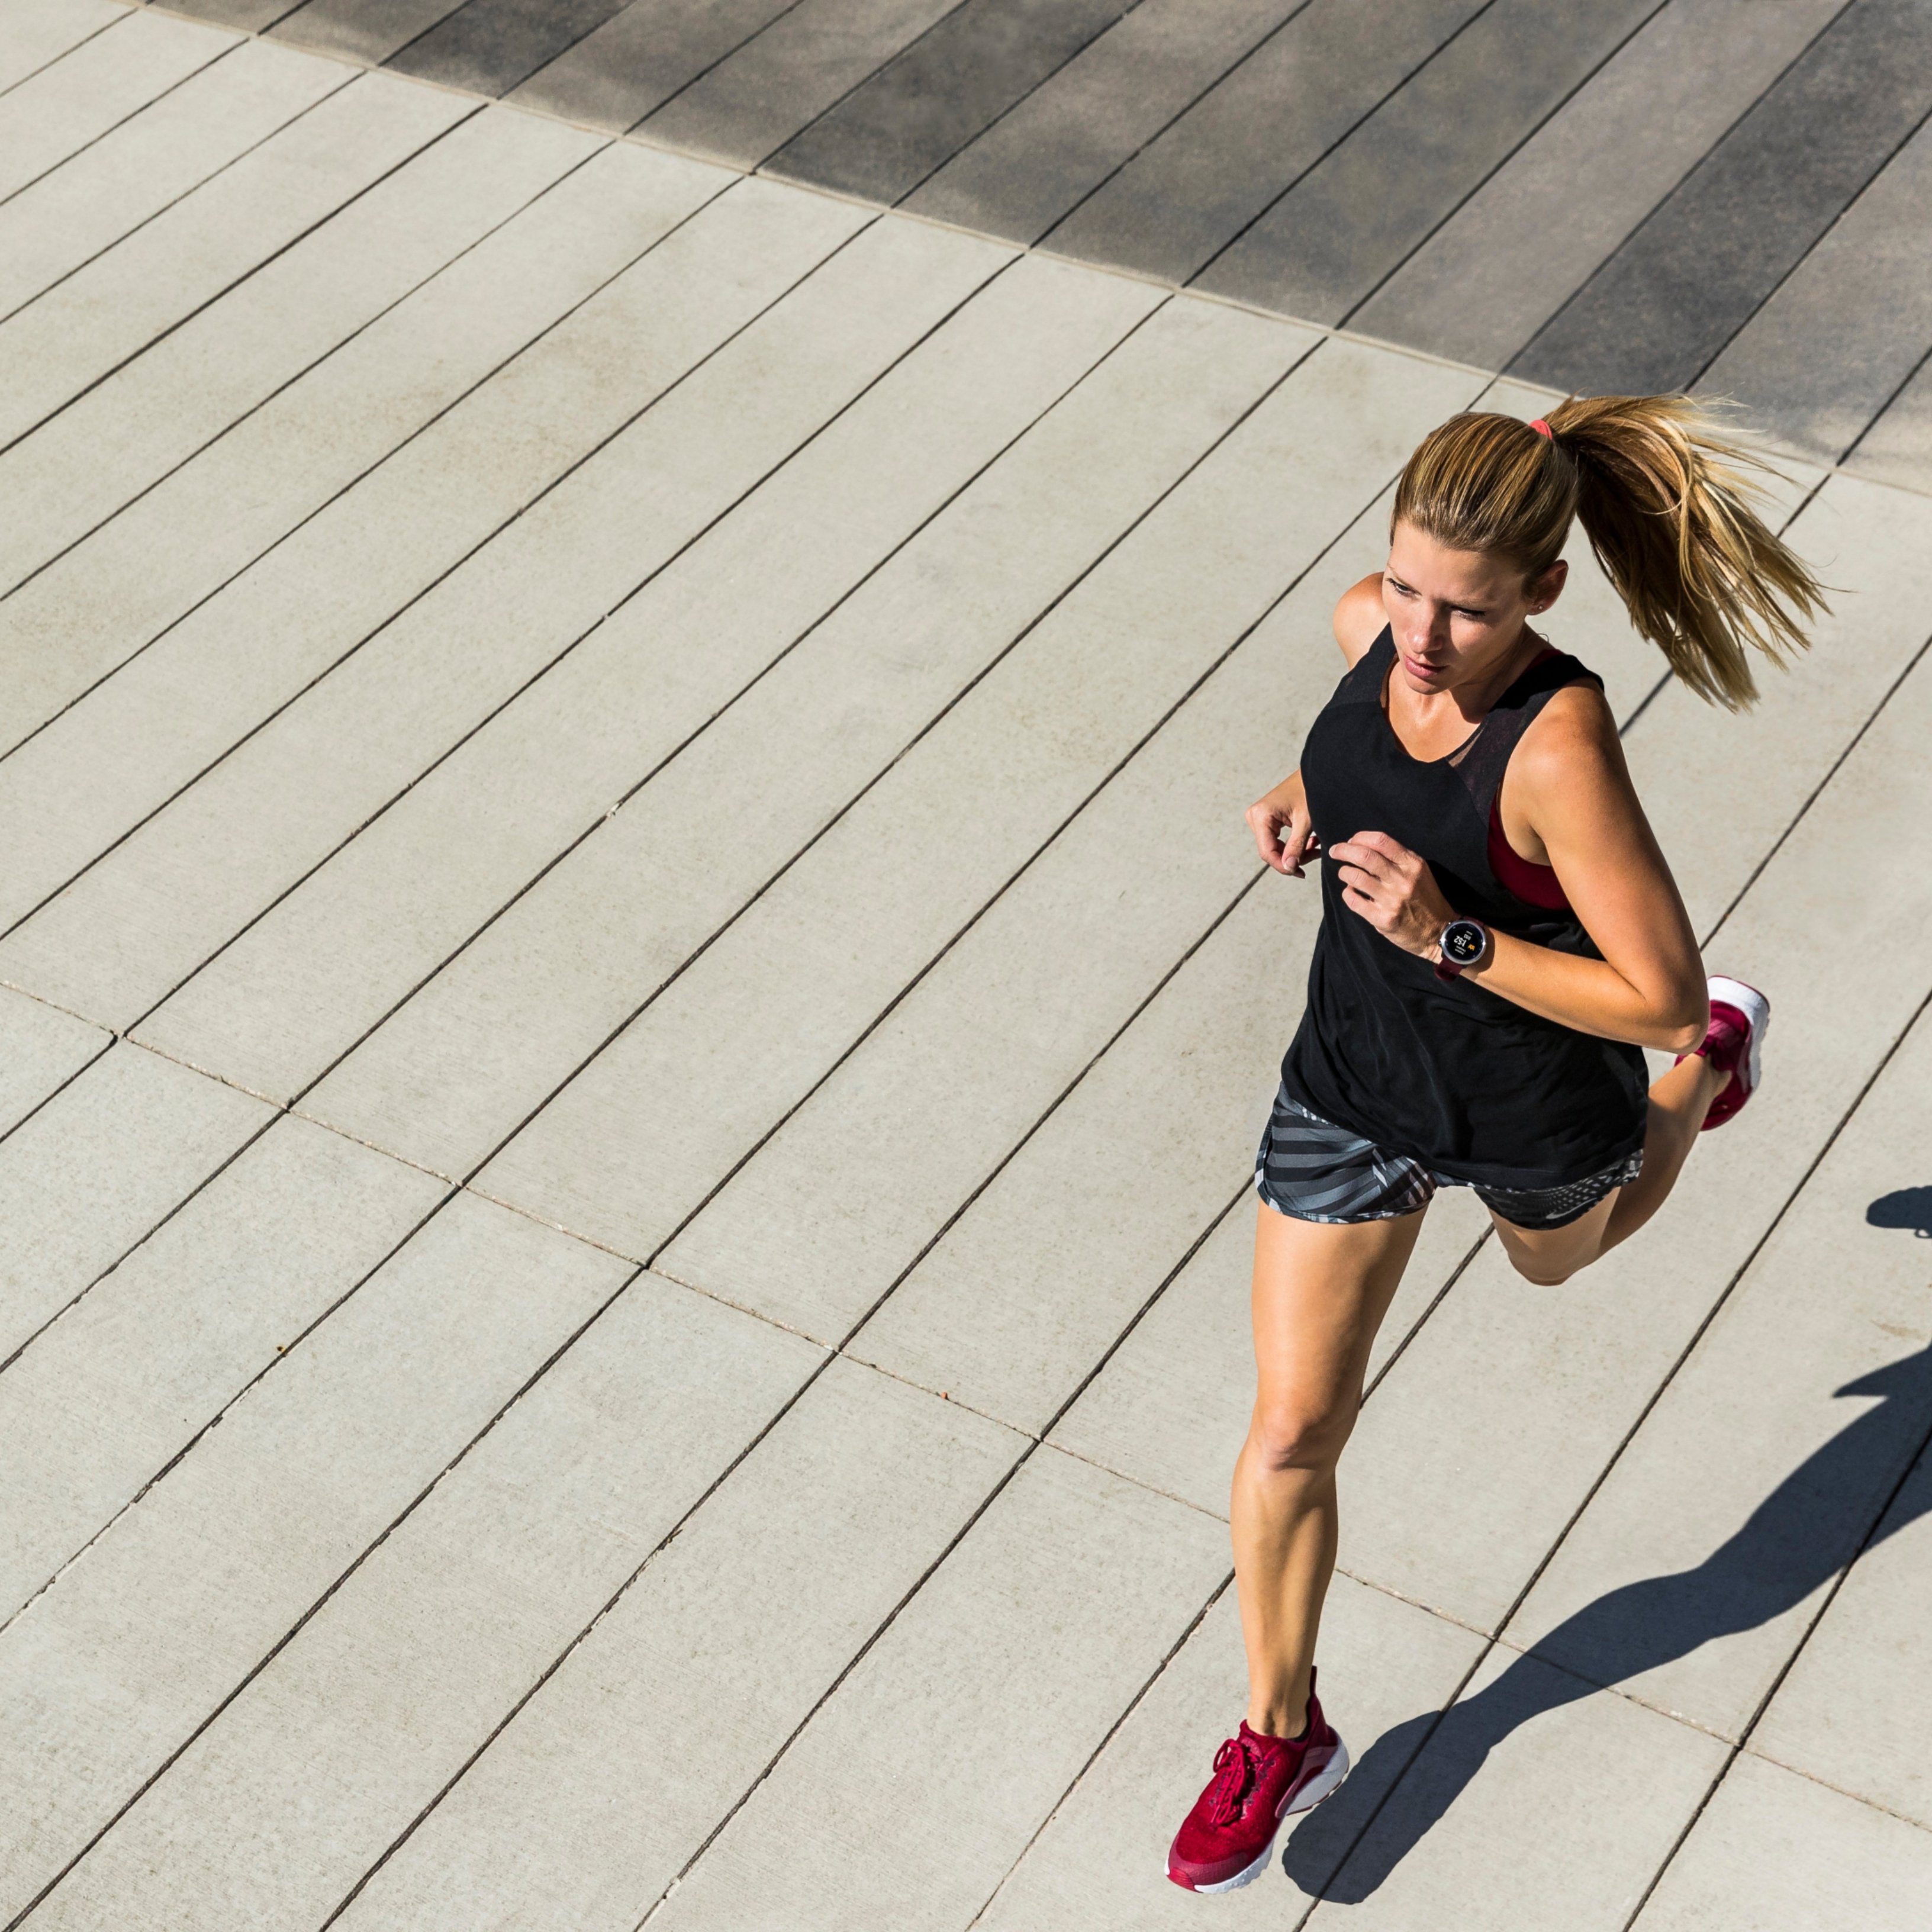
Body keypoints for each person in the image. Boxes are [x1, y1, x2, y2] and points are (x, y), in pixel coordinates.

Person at [1165, 397, 1825, 1894]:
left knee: (1560, 1264)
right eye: (1405, 586)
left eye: (1464, 608)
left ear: (1541, 593)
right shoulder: (1371, 630)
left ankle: (1717, 1075)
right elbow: (1357, 730)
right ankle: (1281, 1731)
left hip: (1535, 1097)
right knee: (1289, 1434)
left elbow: (1648, 988)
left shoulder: (1557, 745)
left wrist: (1448, 933)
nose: (1419, 633)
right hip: (1352, 1082)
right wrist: (1300, 788)